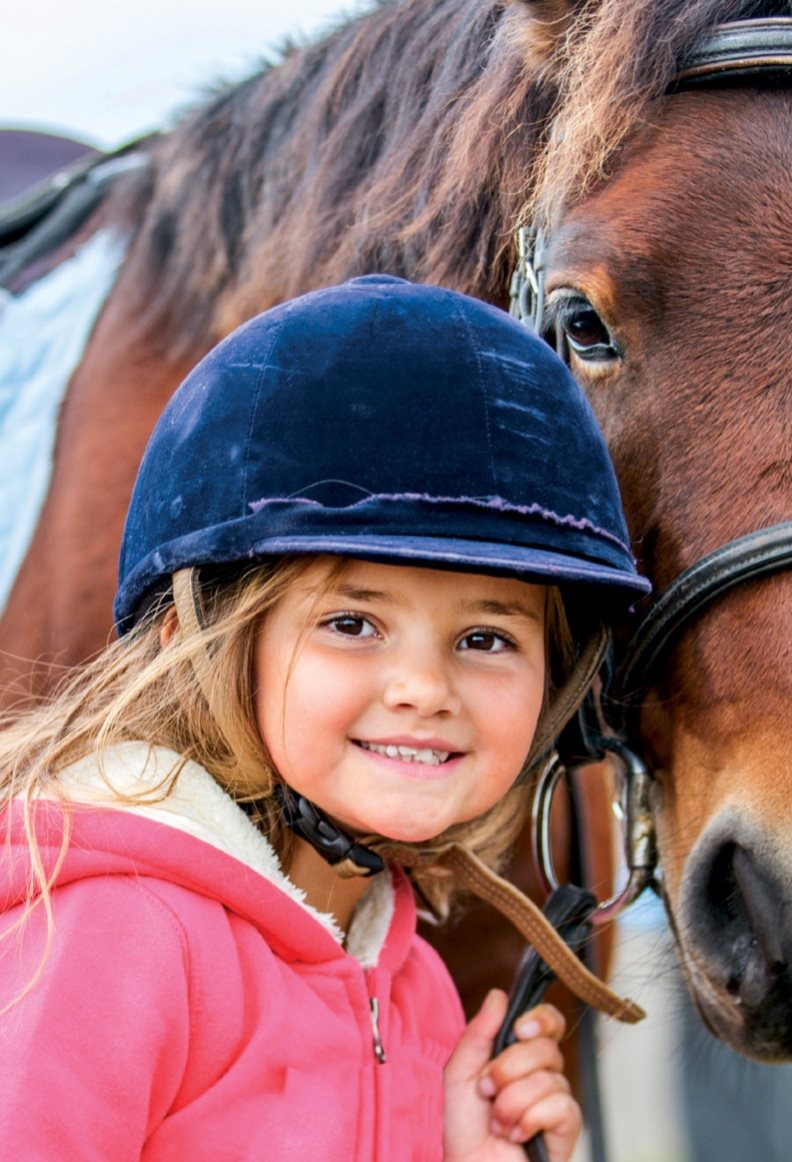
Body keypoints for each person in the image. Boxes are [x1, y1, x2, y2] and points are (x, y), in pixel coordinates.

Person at [0, 275, 650, 1160]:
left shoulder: (415, 983)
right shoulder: (118, 942)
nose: (425, 688)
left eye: (487, 638)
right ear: (211, 643)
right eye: (352, 624)